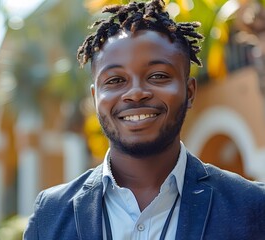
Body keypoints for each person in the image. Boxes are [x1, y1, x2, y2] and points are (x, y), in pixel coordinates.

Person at [23, 0, 265, 239]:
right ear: (96, 98)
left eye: (158, 76)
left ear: (189, 92)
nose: (136, 93)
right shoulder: (50, 214)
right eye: (116, 80)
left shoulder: (252, 207)